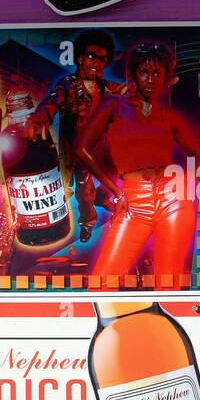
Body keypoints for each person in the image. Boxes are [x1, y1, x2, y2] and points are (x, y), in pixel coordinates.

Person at [75, 42, 200, 286]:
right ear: (134, 74)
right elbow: (81, 148)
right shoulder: (114, 105)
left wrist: (185, 186)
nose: (150, 78)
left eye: (157, 73)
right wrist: (116, 192)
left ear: (166, 77)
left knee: (168, 283)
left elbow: (197, 154)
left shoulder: (168, 116)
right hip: (133, 200)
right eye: (144, 71)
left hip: (173, 201)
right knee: (102, 283)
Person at [26, 29, 125, 241]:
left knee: (112, 186)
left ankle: (104, 200)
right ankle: (88, 222)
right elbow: (52, 101)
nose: (97, 63)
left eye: (102, 59)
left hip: (106, 150)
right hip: (81, 155)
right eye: (92, 56)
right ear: (80, 58)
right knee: (84, 194)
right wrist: (40, 117)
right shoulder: (68, 85)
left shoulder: (108, 88)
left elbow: (130, 93)